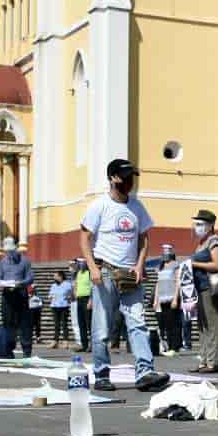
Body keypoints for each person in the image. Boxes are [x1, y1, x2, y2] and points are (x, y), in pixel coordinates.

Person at [82, 158, 168, 392]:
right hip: (106, 271)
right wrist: (93, 268)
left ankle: (145, 372)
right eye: (125, 177)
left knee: (138, 323)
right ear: (112, 178)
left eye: (132, 177)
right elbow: (85, 237)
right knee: (101, 327)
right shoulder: (99, 206)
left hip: (131, 275)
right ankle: (101, 373)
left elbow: (144, 237)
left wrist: (140, 265)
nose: (129, 182)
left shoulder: (136, 207)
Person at [187, 209, 218, 374]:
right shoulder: (201, 243)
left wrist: (195, 265)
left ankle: (213, 362)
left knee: (213, 325)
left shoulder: (214, 241)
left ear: (210, 225)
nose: (196, 227)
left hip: (210, 288)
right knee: (203, 326)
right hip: (199, 287)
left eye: (200, 224)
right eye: (196, 223)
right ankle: (203, 360)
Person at [0, 238, 35, 358]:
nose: (10, 253)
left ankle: (27, 351)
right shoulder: (2, 262)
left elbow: (30, 277)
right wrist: (1, 283)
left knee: (25, 324)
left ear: (16, 248)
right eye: (7, 251)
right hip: (7, 296)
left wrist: (21, 283)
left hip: (21, 295)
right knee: (8, 324)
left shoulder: (25, 261)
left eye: (11, 251)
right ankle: (8, 350)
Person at [153, 246, 182, 356]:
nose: (165, 254)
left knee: (173, 323)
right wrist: (156, 300)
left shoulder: (175, 265)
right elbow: (157, 283)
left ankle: (174, 347)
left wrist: (175, 298)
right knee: (165, 324)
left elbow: (178, 281)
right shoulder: (160, 266)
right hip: (162, 299)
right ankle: (169, 346)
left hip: (172, 298)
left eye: (167, 252)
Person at [72, 256, 93, 353]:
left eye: (82, 262)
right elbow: (75, 284)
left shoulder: (89, 273)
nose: (81, 264)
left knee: (89, 324)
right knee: (81, 324)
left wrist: (90, 300)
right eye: (79, 263)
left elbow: (93, 287)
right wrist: (75, 293)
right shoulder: (78, 273)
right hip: (79, 300)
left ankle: (92, 345)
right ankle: (84, 345)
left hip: (87, 299)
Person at [49, 269, 74, 347]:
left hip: (64, 306)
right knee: (56, 324)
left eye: (55, 276)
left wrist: (69, 297)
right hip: (54, 306)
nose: (54, 278)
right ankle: (55, 341)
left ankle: (65, 341)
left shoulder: (67, 284)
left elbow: (71, 294)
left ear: (61, 277)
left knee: (64, 324)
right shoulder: (53, 285)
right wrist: (50, 296)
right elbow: (50, 294)